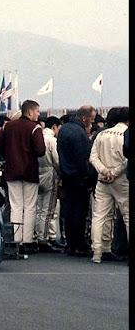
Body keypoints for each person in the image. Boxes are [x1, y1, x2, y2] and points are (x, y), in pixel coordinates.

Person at [0, 100, 45, 254]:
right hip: (30, 171)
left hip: (12, 170)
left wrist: (9, 155)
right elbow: (40, 150)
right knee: (29, 206)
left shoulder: (8, 126)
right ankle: (27, 240)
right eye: (37, 111)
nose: (38, 114)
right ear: (30, 112)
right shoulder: (35, 128)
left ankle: (16, 240)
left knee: (15, 206)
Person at [88, 106, 129, 264]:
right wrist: (115, 172)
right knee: (127, 216)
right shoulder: (126, 134)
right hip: (122, 180)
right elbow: (127, 159)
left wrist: (104, 171)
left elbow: (93, 157)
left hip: (102, 180)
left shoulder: (102, 134)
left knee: (99, 216)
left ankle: (97, 252)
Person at [57, 104, 97, 257]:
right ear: (84, 118)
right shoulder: (80, 133)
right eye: (91, 120)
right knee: (80, 213)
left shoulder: (64, 130)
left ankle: (70, 244)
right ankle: (79, 244)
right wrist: (88, 178)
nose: (92, 123)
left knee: (69, 210)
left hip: (67, 176)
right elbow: (83, 159)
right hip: (79, 178)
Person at [35, 116, 64, 253]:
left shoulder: (37, 138)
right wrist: (61, 175)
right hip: (49, 174)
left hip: (36, 173)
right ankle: (44, 238)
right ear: (54, 127)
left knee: (37, 209)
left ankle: (36, 236)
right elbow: (57, 161)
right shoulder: (52, 141)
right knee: (48, 210)